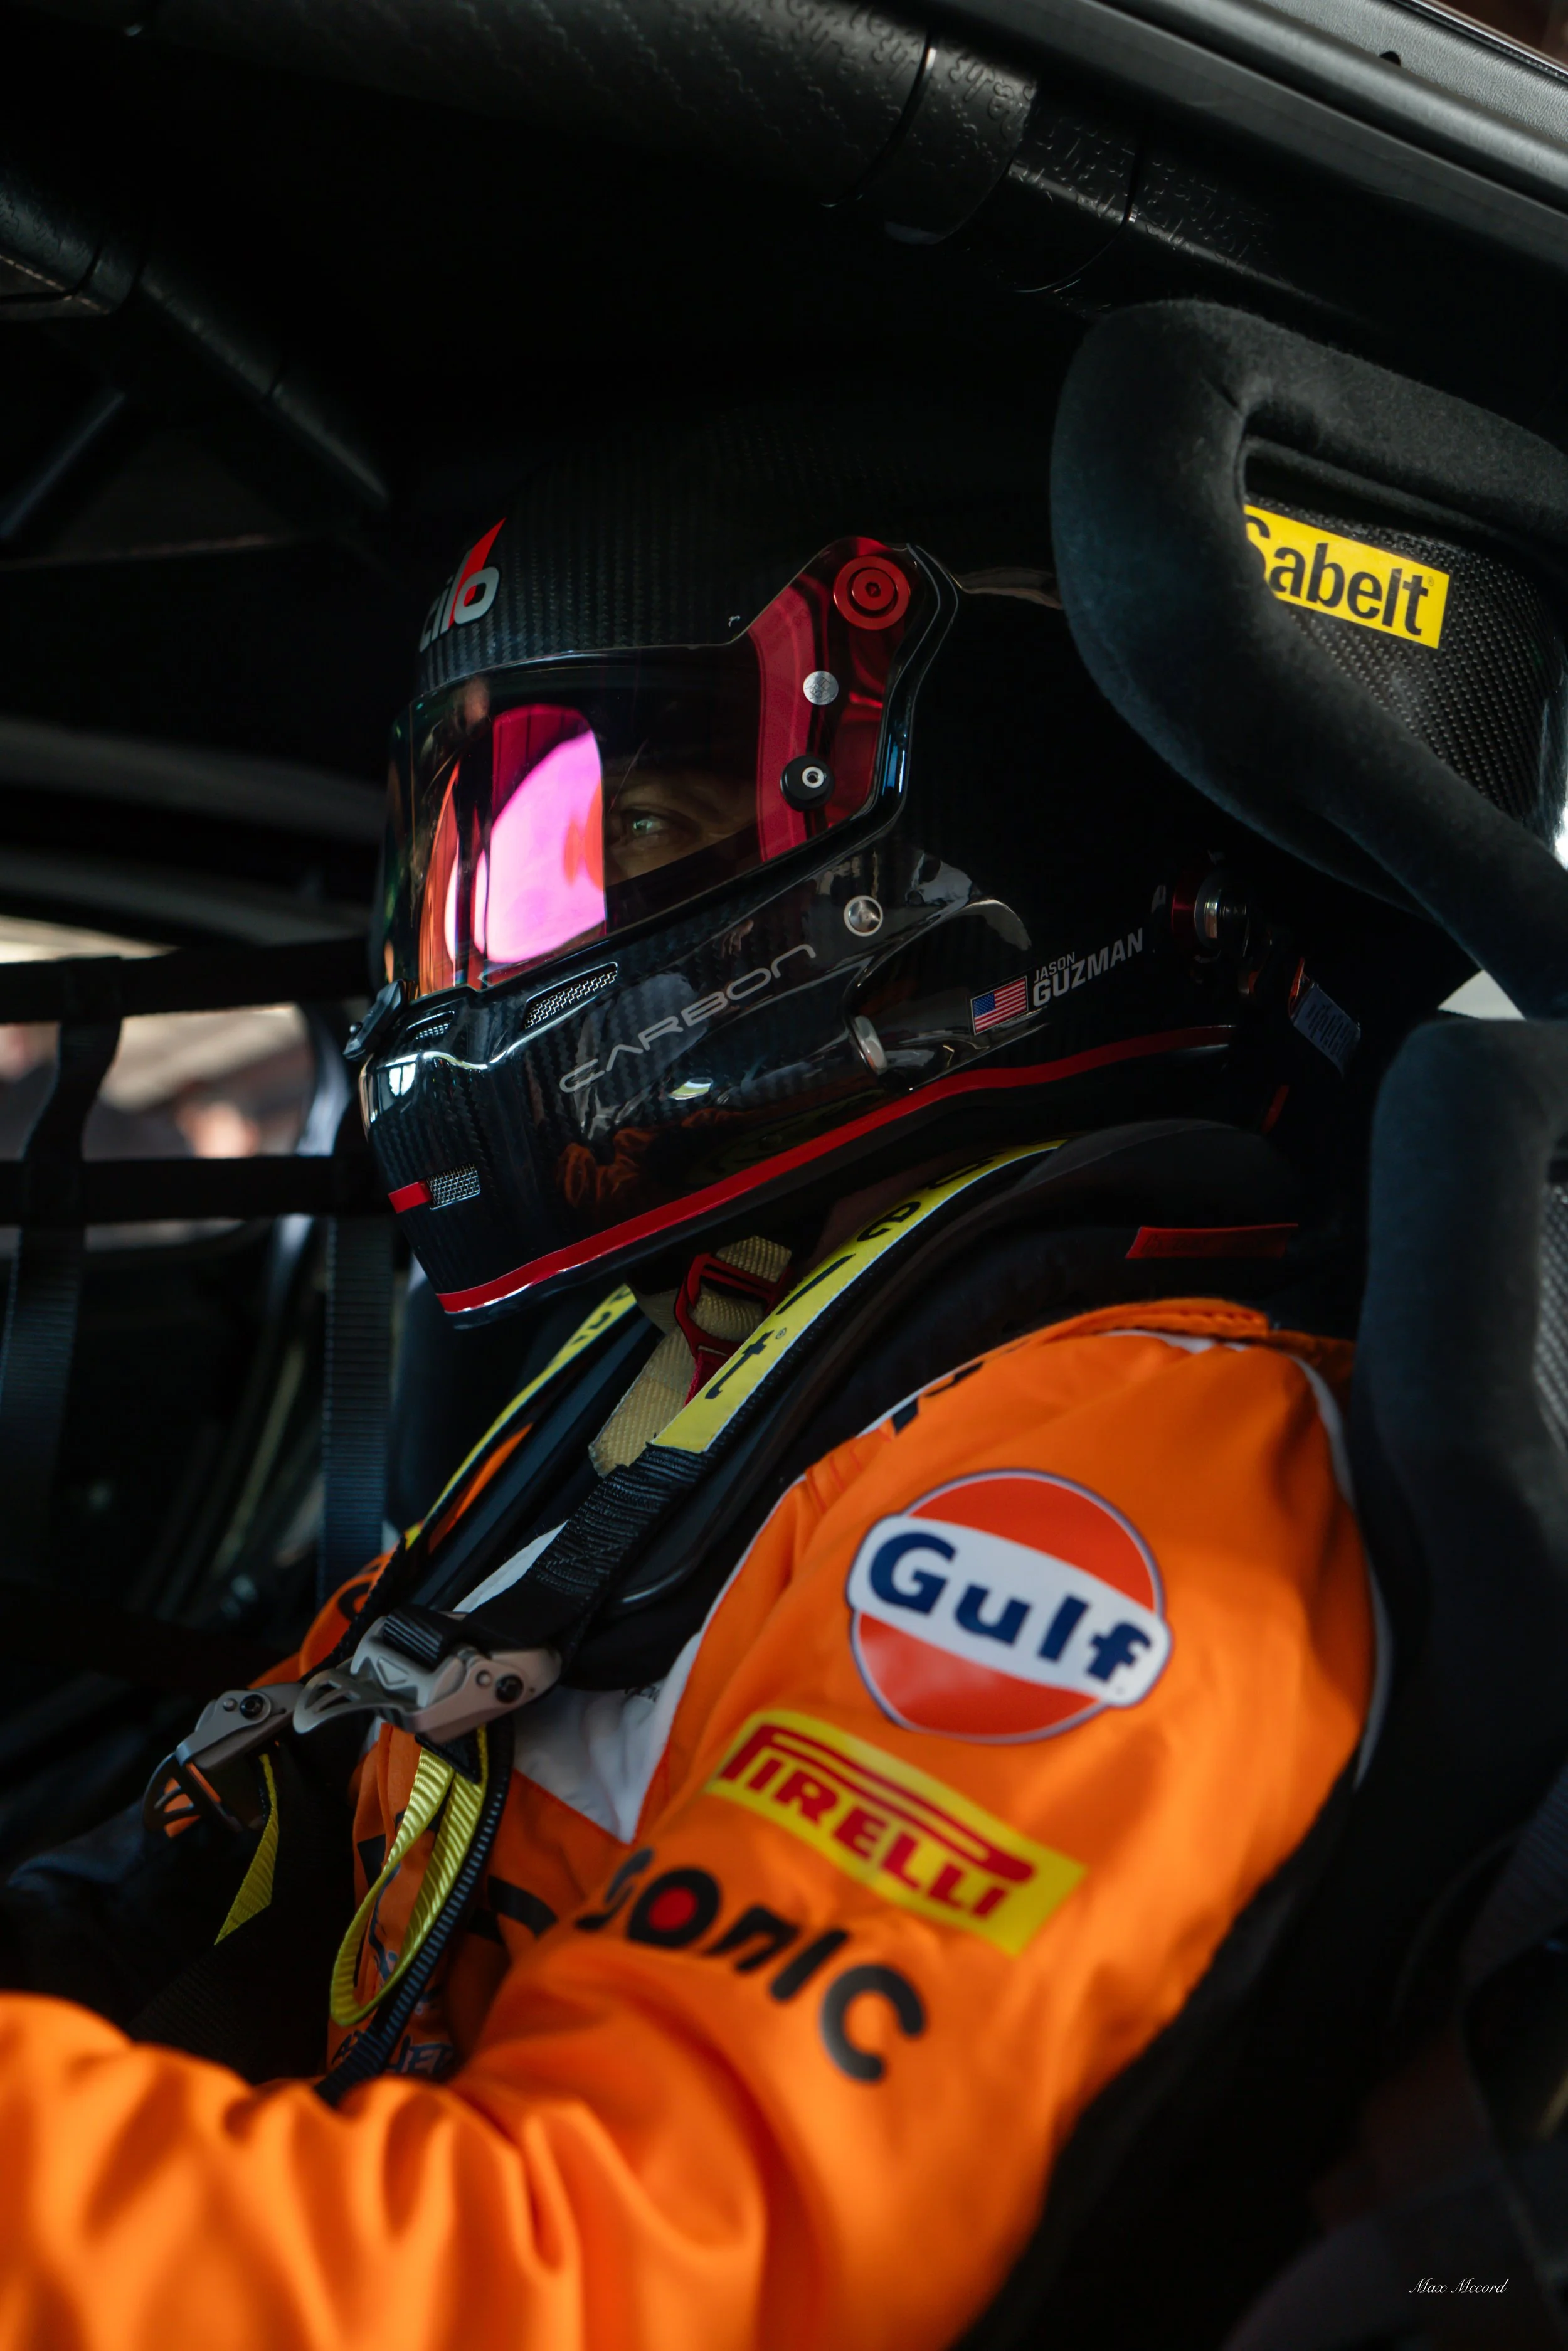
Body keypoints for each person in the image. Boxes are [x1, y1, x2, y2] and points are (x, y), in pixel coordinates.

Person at [0, 385, 1547, 2351]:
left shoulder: (1112, 1481)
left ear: (988, 815)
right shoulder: (689, 1358)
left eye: (623, 817)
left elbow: (609, 2285)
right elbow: (263, 1829)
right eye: (499, 833)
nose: (508, 935)